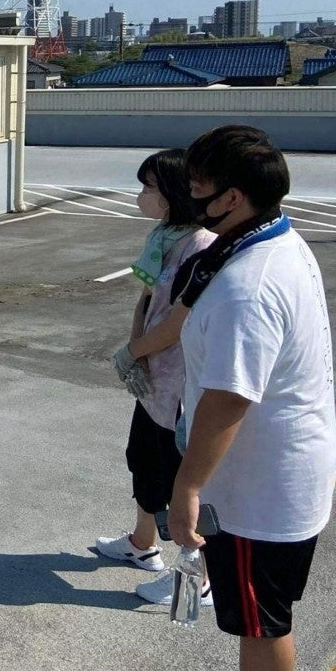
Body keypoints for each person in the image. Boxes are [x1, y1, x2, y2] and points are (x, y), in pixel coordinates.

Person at [164, 124, 336, 671]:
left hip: (260, 484)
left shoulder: (249, 283)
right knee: (269, 613)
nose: (189, 196)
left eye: (198, 187)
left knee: (262, 624)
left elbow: (230, 396)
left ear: (232, 198)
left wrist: (187, 486)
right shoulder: (276, 241)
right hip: (285, 465)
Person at [92, 148, 218, 608]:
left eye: (149, 186)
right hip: (154, 380)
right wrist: (135, 348)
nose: (141, 195)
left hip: (180, 384)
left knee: (181, 478)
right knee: (143, 460)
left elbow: (179, 323)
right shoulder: (164, 236)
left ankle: (198, 575)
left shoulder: (200, 246)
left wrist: (134, 352)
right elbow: (147, 300)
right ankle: (143, 544)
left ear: (173, 194)